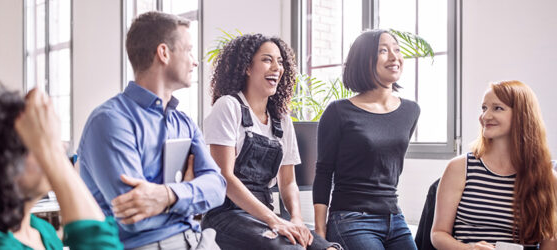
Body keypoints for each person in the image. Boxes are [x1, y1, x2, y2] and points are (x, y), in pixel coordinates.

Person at [77, 11, 226, 250]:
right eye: (188, 50)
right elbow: (136, 218)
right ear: (164, 53)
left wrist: (169, 195)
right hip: (148, 244)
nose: (195, 61)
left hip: (196, 239)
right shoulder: (110, 121)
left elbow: (218, 187)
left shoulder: (183, 122)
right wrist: (191, 196)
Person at [201, 33, 340, 250]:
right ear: (247, 67)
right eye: (267, 60)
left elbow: (288, 182)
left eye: (280, 62)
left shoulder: (282, 120)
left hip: (264, 213)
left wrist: (295, 219)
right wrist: (274, 220)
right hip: (226, 215)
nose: (277, 67)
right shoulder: (228, 106)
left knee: (329, 249)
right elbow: (225, 177)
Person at [0, 88, 122, 249]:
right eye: (37, 142)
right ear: (3, 163)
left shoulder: (41, 230)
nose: (61, 147)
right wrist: (52, 152)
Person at [312, 29, 420, 250]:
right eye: (383, 50)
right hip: (351, 218)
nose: (394, 56)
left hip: (394, 217)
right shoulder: (338, 111)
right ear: (364, 60)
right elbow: (323, 172)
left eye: (397, 49)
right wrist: (320, 236)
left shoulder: (411, 110)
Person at [431, 80, 557, 249]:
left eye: (497, 108)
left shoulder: (547, 178)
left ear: (522, 114)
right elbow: (438, 234)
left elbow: (550, 243)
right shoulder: (460, 168)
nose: (485, 116)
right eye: (484, 108)